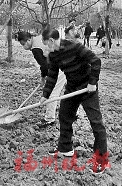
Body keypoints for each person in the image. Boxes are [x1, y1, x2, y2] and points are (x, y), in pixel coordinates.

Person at [41, 28, 109, 175]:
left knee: (96, 122)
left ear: (52, 41)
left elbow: (96, 61)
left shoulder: (75, 46)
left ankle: (101, 160)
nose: (46, 48)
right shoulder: (53, 55)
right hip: (72, 87)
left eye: (46, 44)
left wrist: (92, 82)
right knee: (64, 116)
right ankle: (65, 148)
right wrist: (45, 95)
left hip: (87, 88)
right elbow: (52, 76)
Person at [17, 31, 66, 128]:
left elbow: (44, 66)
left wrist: (44, 78)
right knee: (67, 90)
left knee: (52, 93)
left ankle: (49, 119)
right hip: (63, 63)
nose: (24, 47)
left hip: (60, 67)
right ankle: (74, 112)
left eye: (24, 44)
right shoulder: (39, 38)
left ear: (29, 40)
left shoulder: (35, 48)